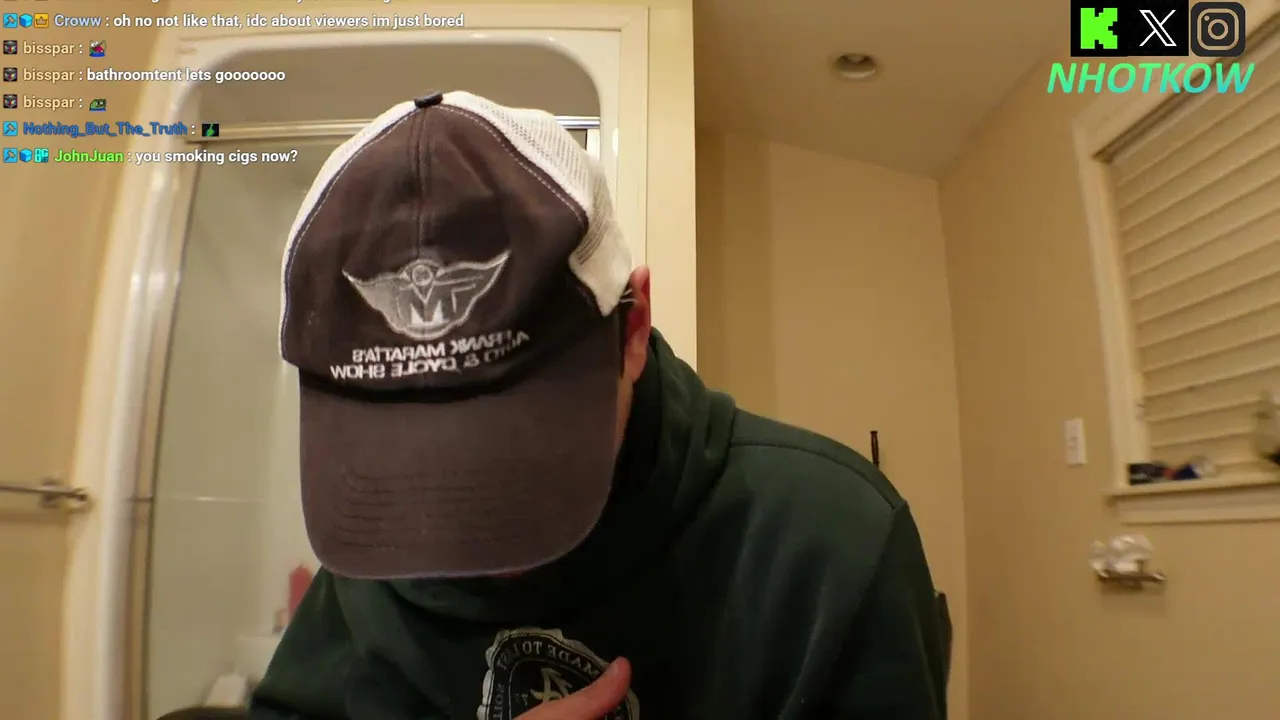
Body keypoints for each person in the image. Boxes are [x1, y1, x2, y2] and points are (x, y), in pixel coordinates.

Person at [250, 90, 949, 720]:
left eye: (515, 449)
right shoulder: (370, 554)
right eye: (404, 466)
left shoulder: (834, 546)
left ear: (633, 325)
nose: (467, 538)